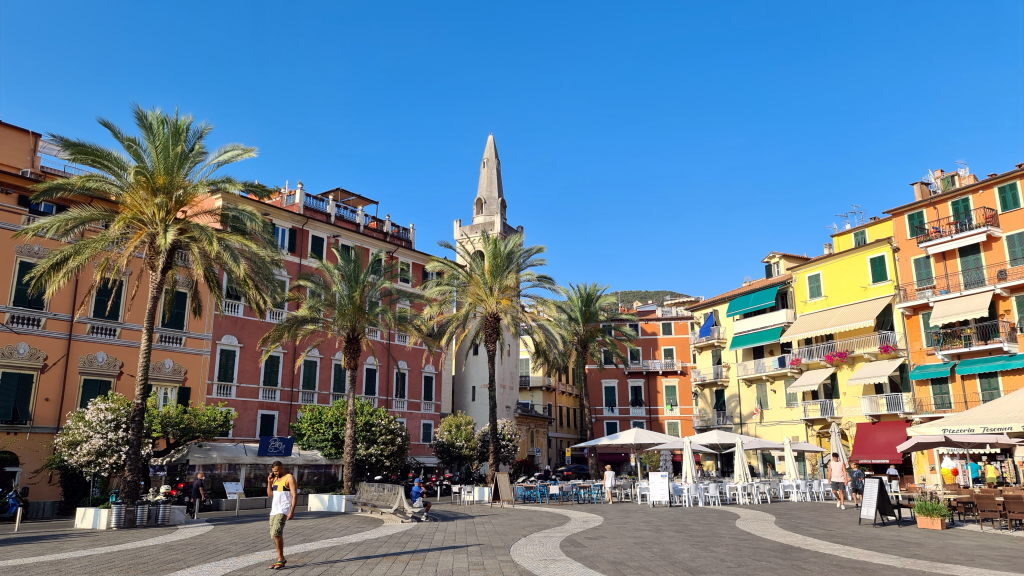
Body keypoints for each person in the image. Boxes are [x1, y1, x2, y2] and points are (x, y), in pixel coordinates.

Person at [267, 461, 297, 570]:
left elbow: (294, 495)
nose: (276, 472)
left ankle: (280, 558)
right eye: (274, 471)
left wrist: (291, 511)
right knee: (274, 536)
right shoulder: (274, 479)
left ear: (282, 468)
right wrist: (269, 482)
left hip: (283, 509)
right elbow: (270, 495)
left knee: (276, 533)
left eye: (277, 470)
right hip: (274, 511)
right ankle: (281, 558)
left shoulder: (289, 477)